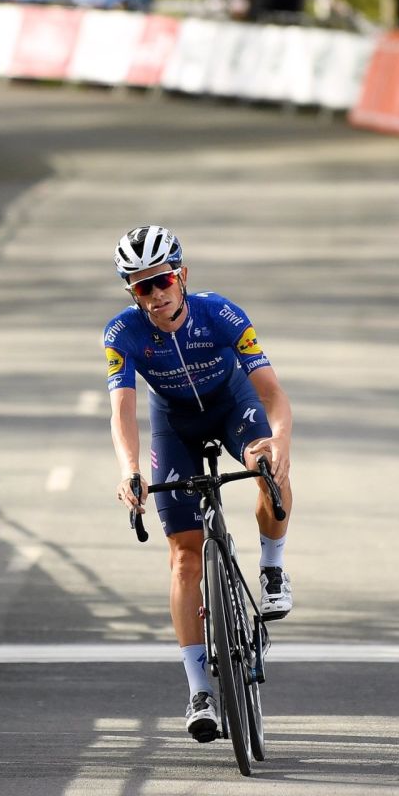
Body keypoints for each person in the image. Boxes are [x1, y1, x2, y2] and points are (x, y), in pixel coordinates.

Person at [104, 225, 293, 743]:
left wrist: (278, 442)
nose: (156, 293)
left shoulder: (221, 314)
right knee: (185, 559)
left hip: (233, 407)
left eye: (163, 279)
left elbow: (272, 393)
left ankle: (272, 567)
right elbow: (122, 411)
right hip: (176, 426)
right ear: (131, 293)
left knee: (265, 466)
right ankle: (199, 691)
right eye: (142, 286)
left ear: (182, 275)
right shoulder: (122, 334)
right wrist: (130, 470)